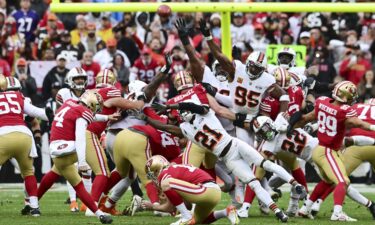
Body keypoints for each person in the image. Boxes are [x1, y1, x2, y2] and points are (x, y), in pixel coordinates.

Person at [290, 81, 375, 221]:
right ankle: (337, 213)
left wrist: (292, 126)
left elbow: (307, 118)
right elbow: (357, 123)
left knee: (328, 180)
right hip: (328, 152)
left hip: (319, 149)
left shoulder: (322, 102)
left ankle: (305, 208)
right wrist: (373, 128)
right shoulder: (344, 110)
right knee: (343, 181)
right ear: (346, 96)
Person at [37, 90, 113, 224]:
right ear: (91, 104)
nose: (97, 109)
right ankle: (98, 210)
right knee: (91, 158)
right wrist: (82, 161)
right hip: (67, 149)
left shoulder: (70, 103)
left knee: (77, 185)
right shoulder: (82, 113)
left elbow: (88, 117)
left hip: (55, 148)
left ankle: (32, 202)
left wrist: (106, 118)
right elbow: (80, 138)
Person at [0, 74, 52, 216]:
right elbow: (36, 113)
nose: (16, 92)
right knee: (29, 173)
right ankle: (34, 207)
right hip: (23, 135)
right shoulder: (20, 98)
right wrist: (48, 115)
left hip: (3, 136)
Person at [142, 155, 239, 225]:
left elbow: (170, 208)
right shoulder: (174, 170)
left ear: (157, 169)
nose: (153, 178)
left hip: (205, 190)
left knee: (166, 183)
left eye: (153, 174)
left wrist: (152, 206)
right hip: (212, 192)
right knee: (199, 221)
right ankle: (227, 212)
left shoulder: (165, 174)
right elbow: (184, 205)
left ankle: (185, 217)